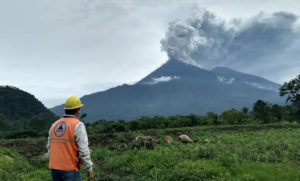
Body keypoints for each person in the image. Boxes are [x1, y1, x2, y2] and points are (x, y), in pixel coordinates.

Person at [47, 95, 94, 181]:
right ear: (78, 110)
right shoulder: (78, 125)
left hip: (54, 169)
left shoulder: (54, 125)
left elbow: (50, 147)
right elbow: (83, 150)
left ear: (65, 110)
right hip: (70, 170)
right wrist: (89, 168)